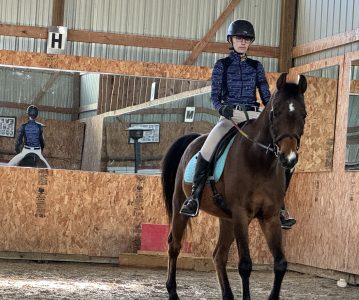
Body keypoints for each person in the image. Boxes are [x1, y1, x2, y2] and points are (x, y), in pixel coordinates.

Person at [180, 19, 296, 229]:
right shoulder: (221, 65)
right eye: (239, 38)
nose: (243, 42)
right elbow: (214, 95)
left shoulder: (256, 67)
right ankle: (194, 197)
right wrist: (221, 107)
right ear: (231, 40)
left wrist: (272, 111)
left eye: (247, 39)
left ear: (250, 42)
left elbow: (266, 95)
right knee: (208, 147)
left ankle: (280, 205)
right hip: (230, 116)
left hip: (254, 115)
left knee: (285, 154)